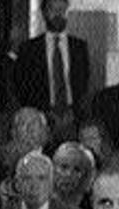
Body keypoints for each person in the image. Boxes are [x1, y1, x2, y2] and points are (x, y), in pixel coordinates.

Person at [12, 0, 90, 131]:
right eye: (53, 10)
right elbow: (21, 86)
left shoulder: (79, 47)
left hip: (73, 119)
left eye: (62, 10)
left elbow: (84, 82)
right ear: (44, 13)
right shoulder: (28, 49)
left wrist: (73, 111)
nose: (58, 14)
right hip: (40, 120)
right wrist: (42, 114)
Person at [52, 141, 95, 209]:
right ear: (53, 169)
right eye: (64, 167)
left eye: (77, 169)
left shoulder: (92, 207)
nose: (69, 174)